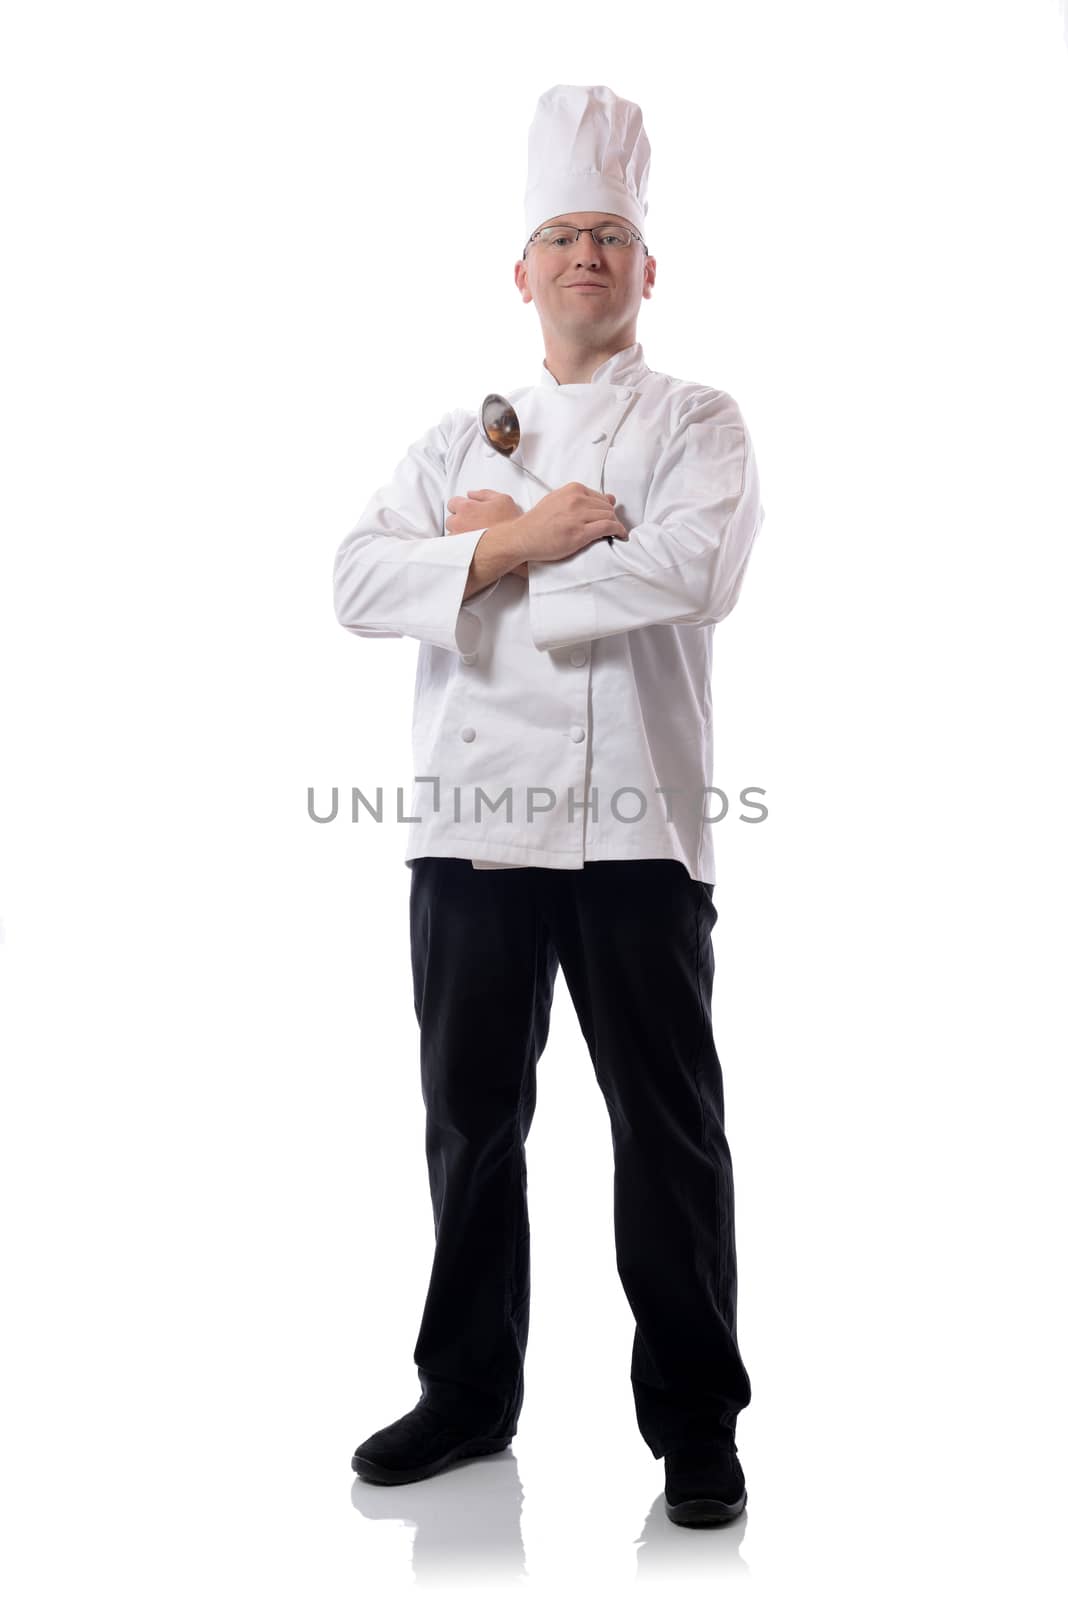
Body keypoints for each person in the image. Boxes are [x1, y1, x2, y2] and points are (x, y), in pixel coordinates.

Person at [336, 84, 765, 1529]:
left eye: (613, 236)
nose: (588, 256)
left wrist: (480, 572)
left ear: (650, 268)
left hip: (637, 829)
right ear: (520, 270)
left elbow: (687, 576)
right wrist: (532, 534)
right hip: (468, 829)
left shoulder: (699, 423)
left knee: (670, 1128)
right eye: (563, 236)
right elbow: (352, 582)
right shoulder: (457, 441)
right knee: (470, 1123)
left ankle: (697, 1422)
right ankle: (467, 1395)